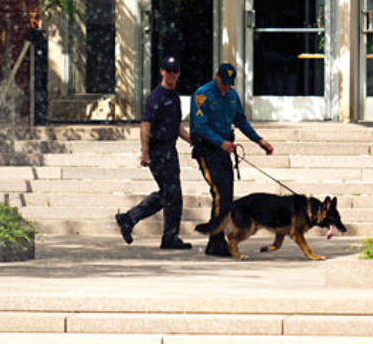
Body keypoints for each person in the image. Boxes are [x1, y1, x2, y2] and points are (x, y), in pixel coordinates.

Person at [190, 63, 274, 256]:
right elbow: (201, 126)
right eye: (223, 83)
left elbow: (241, 120)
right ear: (216, 76)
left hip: (224, 150)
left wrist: (258, 140)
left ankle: (216, 239)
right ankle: (216, 239)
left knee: (227, 195)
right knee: (220, 192)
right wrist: (221, 143)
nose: (225, 87)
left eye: (229, 84)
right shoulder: (202, 94)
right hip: (208, 150)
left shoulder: (232, 95)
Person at [115, 56, 193, 250]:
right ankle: (166, 235)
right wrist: (145, 152)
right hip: (158, 151)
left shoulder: (174, 97)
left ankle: (130, 219)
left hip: (170, 150)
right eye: (169, 70)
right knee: (172, 194)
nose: (172, 75)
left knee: (170, 194)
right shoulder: (156, 96)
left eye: (175, 71)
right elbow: (146, 124)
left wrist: (194, 141)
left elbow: (176, 127)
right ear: (161, 72)